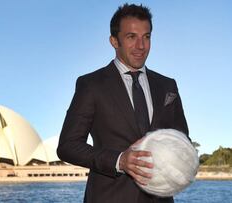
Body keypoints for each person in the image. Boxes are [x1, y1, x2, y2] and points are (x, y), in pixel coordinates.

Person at [57, 3, 189, 203]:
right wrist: (119, 160)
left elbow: (181, 138)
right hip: (109, 196)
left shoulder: (167, 85)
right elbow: (68, 146)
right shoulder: (91, 84)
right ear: (114, 41)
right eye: (131, 37)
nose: (141, 46)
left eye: (146, 37)